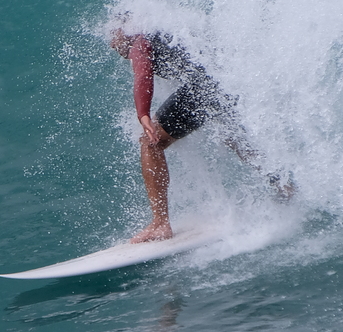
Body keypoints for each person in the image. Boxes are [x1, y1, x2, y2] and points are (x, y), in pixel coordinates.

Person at [109, 17, 286, 243]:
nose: (113, 44)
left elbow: (143, 74)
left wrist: (143, 114)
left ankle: (160, 224)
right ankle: (285, 186)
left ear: (126, 28)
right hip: (226, 79)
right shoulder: (163, 31)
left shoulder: (139, 42)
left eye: (114, 35)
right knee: (232, 137)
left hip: (205, 85)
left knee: (150, 142)